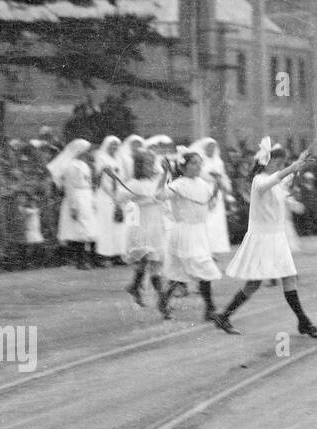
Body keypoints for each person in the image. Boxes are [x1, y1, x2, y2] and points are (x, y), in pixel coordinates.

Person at [213, 139, 317, 337]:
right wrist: (292, 167)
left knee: (288, 277)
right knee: (254, 283)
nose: (278, 165)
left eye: (280, 162)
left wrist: (299, 162)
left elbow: (285, 181)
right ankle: (224, 316)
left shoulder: (276, 179)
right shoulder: (259, 180)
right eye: (275, 161)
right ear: (265, 162)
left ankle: (303, 321)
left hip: (276, 236)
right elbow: (272, 181)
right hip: (262, 237)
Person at [159, 151, 224, 321]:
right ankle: (209, 308)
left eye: (199, 163)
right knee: (197, 268)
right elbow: (159, 195)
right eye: (194, 163)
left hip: (199, 232)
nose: (198, 166)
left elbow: (209, 206)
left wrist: (216, 188)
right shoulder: (179, 184)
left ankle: (166, 298)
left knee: (194, 270)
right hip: (184, 232)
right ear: (183, 166)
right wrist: (164, 174)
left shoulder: (203, 183)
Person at [118, 151, 170, 307]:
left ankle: (135, 287)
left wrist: (166, 172)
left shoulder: (155, 181)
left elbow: (161, 191)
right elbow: (121, 198)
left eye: (151, 163)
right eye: (147, 164)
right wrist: (137, 202)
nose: (150, 167)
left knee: (154, 261)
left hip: (155, 224)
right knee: (147, 258)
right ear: (139, 166)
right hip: (142, 225)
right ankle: (162, 300)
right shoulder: (134, 183)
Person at [48, 139, 98, 270]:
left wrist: (93, 200)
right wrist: (73, 206)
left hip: (86, 197)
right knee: (78, 230)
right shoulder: (72, 166)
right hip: (77, 198)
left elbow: (89, 184)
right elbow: (69, 187)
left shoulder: (84, 165)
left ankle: (87, 259)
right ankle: (80, 260)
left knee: (87, 229)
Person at [190, 137, 233, 259]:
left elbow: (223, 175)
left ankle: (214, 249)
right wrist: (214, 178)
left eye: (213, 147)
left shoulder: (218, 161)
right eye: (209, 147)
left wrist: (224, 184)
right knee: (206, 221)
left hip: (216, 192)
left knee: (216, 222)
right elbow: (200, 173)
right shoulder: (200, 160)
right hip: (203, 190)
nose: (211, 149)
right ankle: (204, 249)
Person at [92, 136, 127, 267]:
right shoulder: (101, 158)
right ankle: (104, 256)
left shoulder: (118, 159)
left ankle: (118, 254)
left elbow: (121, 177)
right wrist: (112, 195)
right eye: (111, 145)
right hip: (105, 196)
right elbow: (102, 179)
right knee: (106, 225)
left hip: (117, 195)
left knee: (118, 225)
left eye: (116, 145)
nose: (114, 148)